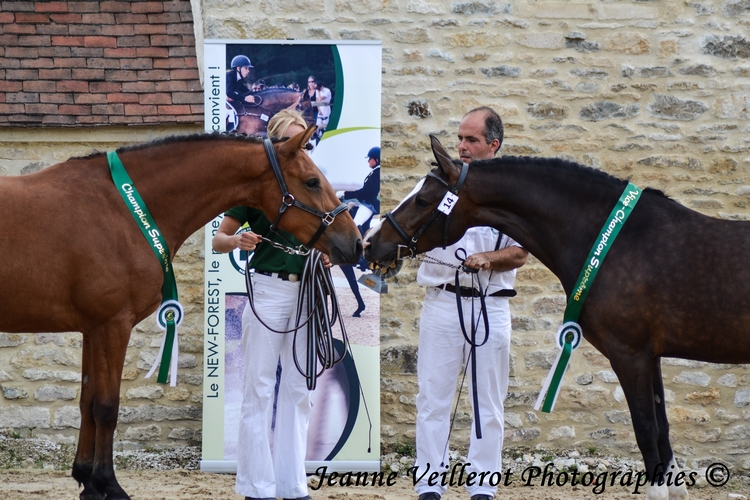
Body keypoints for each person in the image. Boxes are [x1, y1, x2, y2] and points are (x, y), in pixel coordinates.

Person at [413, 107, 528, 500]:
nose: (460, 146)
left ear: (492, 145)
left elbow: (520, 253)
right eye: (460, 138)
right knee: (432, 399)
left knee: (488, 404)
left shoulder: (511, 194)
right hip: (442, 302)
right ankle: (430, 485)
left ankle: (483, 487)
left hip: (491, 306)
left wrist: (488, 260)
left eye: (471, 140)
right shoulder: (433, 184)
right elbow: (406, 226)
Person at [212, 109, 315, 500]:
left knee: (298, 388)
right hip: (267, 288)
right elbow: (218, 240)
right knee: (258, 387)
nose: (297, 147)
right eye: (289, 140)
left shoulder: (310, 181)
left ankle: (293, 484)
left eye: (301, 140)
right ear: (274, 143)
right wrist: (238, 240)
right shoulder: (254, 189)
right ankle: (257, 486)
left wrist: (324, 256)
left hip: (306, 291)